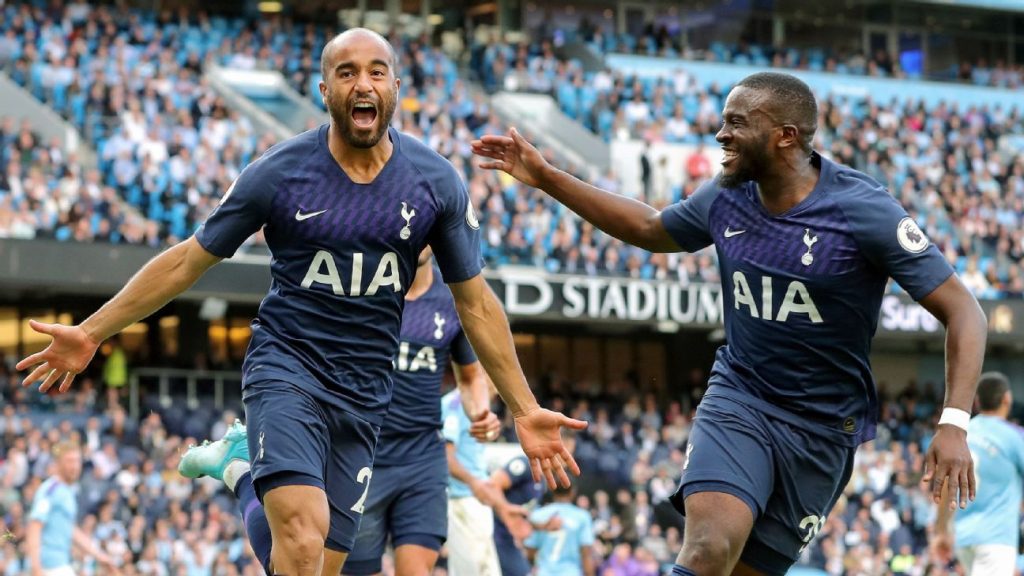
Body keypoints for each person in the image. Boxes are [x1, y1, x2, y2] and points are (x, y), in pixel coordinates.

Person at [18, 28, 584, 576]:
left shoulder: (434, 182)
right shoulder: (280, 172)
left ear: (394, 88)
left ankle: (240, 472)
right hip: (288, 369)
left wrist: (524, 407)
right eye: (346, 73)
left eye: (376, 72)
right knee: (299, 535)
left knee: (311, 564)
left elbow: (476, 304)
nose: (362, 84)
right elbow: (188, 259)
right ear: (325, 91)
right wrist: (93, 331)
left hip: (366, 392)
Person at [472, 71, 987, 575]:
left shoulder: (862, 210)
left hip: (823, 428)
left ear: (785, 136)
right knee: (708, 548)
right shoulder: (726, 195)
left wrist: (954, 421)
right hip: (741, 399)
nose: (721, 134)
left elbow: (964, 311)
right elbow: (651, 228)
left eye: (737, 123)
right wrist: (546, 177)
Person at [180, 247, 503, 576]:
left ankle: (240, 473)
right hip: (360, 447)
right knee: (312, 565)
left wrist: (479, 412)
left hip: (422, 456)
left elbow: (471, 376)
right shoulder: (363, 291)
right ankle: (241, 475)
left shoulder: (451, 301)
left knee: (417, 569)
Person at [933, 372, 1024, 576]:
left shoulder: (962, 434)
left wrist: (942, 530)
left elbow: (947, 482)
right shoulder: (1014, 437)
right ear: (1006, 399)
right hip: (996, 537)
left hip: (964, 536)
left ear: (976, 401)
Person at [25, 441, 117, 576]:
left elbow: (70, 529)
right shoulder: (51, 490)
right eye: (69, 461)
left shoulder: (68, 491)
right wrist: (36, 568)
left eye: (77, 461)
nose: (75, 466)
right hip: (48, 565)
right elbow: (34, 526)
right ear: (58, 463)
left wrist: (99, 555)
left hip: (60, 563)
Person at [524, 485, 595, 576]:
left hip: (544, 572)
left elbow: (530, 552)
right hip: (571, 572)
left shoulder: (538, 515)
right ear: (573, 492)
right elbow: (586, 554)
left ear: (551, 489)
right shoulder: (582, 517)